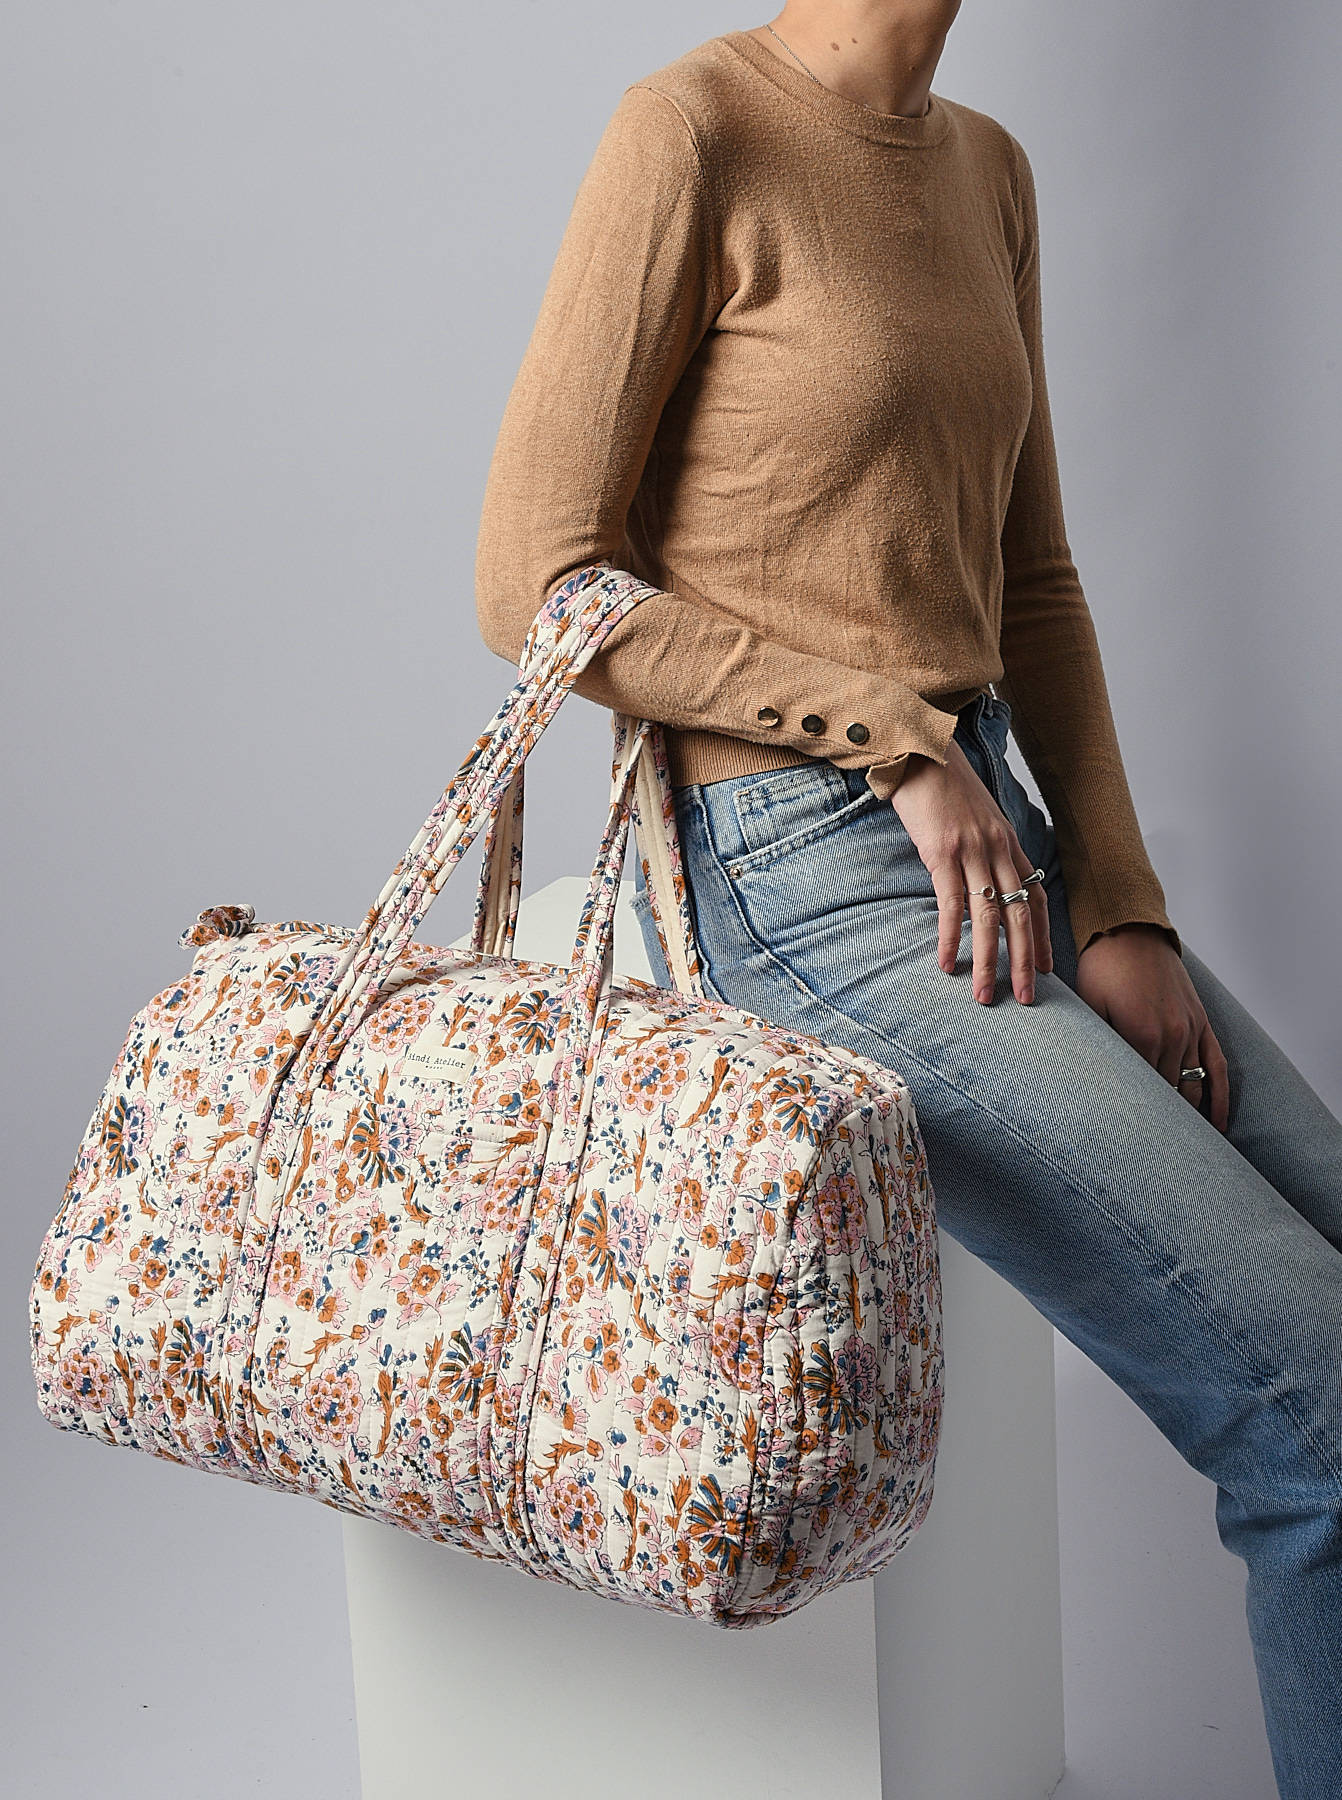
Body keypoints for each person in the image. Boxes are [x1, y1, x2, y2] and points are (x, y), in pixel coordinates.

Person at [473, 7, 1342, 1794]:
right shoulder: (691, 129)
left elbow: (1033, 575)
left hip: (999, 841)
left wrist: (1121, 904)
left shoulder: (985, 170)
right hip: (797, 871)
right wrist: (879, 732)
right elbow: (534, 577)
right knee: (1317, 1404)